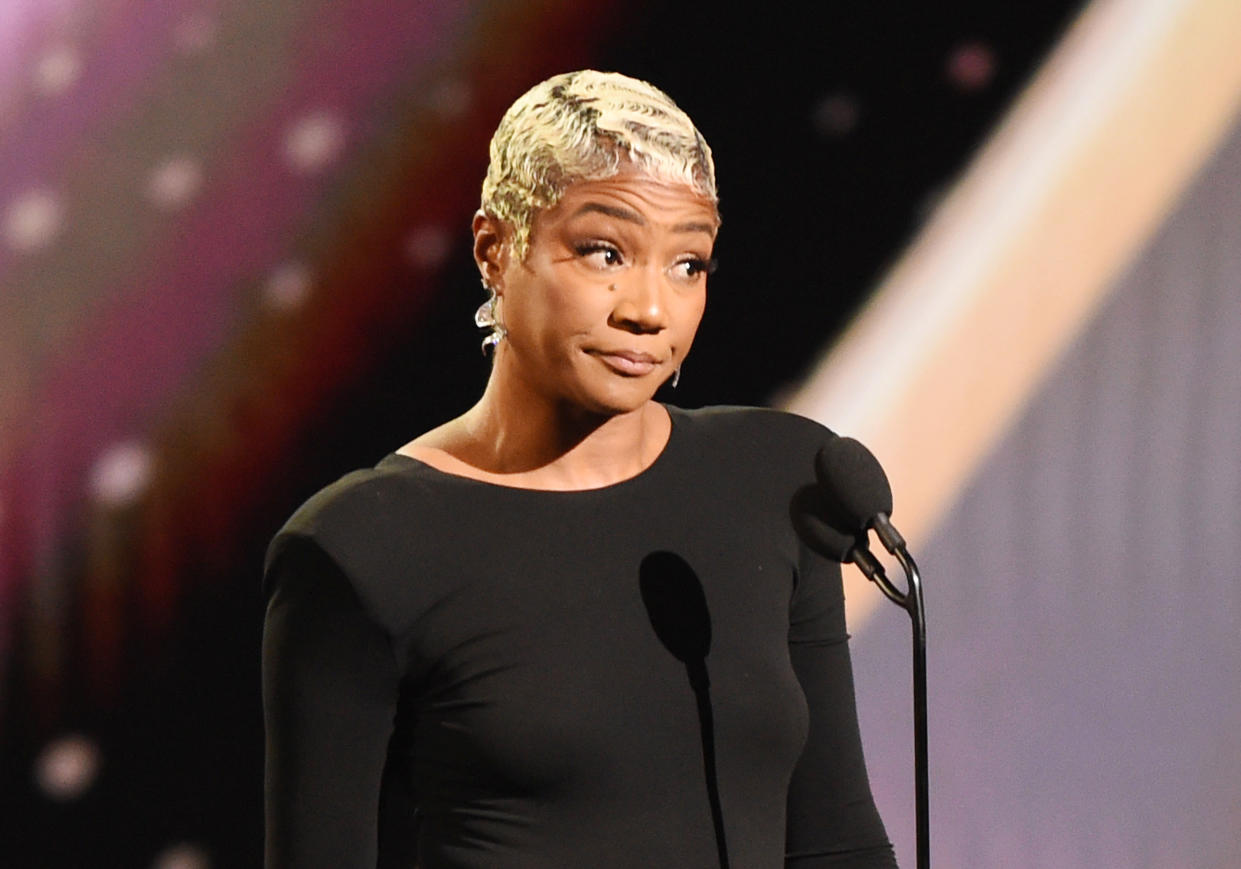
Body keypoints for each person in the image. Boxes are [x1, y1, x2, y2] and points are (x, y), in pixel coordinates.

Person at [262, 69, 897, 869]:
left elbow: (834, 839)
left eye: (687, 264)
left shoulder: (779, 480)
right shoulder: (363, 546)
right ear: (496, 250)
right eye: (606, 251)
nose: (649, 309)